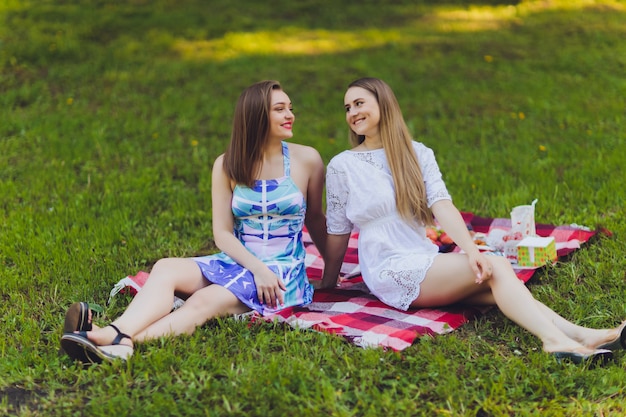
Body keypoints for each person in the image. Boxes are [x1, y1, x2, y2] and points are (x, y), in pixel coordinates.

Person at [320, 77, 625, 364]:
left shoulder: (417, 154)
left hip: (421, 257)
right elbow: (337, 231)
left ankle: (581, 336)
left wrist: (471, 250)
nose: (352, 113)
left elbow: (442, 206)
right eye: (347, 108)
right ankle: (556, 341)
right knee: (499, 268)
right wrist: (329, 281)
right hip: (388, 268)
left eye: (359, 103)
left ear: (383, 103)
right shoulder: (342, 166)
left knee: (496, 283)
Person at [61, 80, 327, 364]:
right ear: (256, 116)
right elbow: (222, 233)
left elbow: (315, 218)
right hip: (240, 261)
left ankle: (116, 340)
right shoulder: (227, 164)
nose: (290, 115)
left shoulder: (308, 159)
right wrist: (256, 268)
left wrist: (331, 275)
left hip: (280, 276)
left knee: (204, 300)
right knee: (165, 267)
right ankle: (117, 336)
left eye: (290, 108)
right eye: (280, 109)